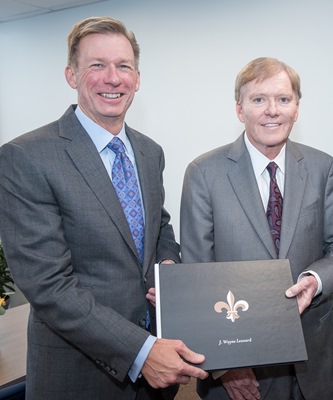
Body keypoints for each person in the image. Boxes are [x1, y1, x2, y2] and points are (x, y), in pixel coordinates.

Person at [0, 16, 208, 400]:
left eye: (123, 66)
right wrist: (142, 352)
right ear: (71, 75)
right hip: (78, 375)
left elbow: (158, 227)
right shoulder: (26, 157)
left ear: (138, 78)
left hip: (155, 378)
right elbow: (49, 286)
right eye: (97, 65)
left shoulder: (149, 152)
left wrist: (168, 267)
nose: (113, 78)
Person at [178, 57, 333, 400]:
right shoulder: (203, 173)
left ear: (297, 108)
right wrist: (227, 365)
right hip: (238, 369)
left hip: (314, 359)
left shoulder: (323, 168)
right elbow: (196, 276)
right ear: (239, 109)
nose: (272, 110)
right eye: (259, 99)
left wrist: (315, 280)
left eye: (283, 99)